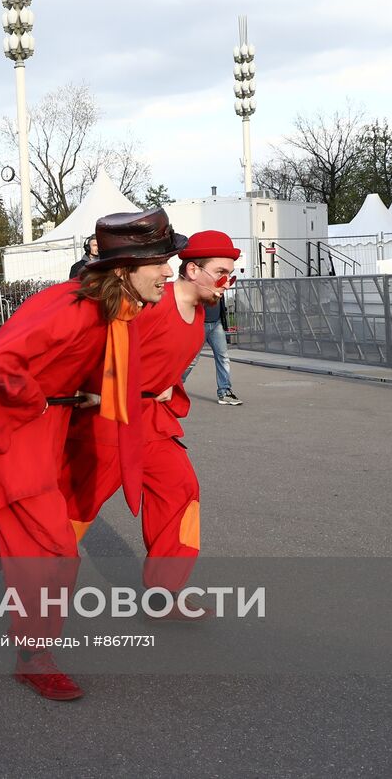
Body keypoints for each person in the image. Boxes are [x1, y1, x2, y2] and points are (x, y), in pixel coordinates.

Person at [0, 207, 184, 701]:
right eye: (160, 262)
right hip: (14, 436)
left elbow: (78, 364)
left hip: (43, 431)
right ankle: (32, 656)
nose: (168, 271)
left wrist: (82, 395)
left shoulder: (112, 308)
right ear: (124, 270)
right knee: (52, 547)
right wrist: (38, 398)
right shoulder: (72, 309)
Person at [84, 230, 242, 611]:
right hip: (106, 421)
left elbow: (160, 362)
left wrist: (167, 385)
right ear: (192, 270)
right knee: (69, 509)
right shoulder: (152, 304)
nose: (228, 283)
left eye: (232, 275)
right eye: (222, 272)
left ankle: (164, 593)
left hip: (151, 422)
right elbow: (99, 349)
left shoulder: (201, 315)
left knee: (180, 490)